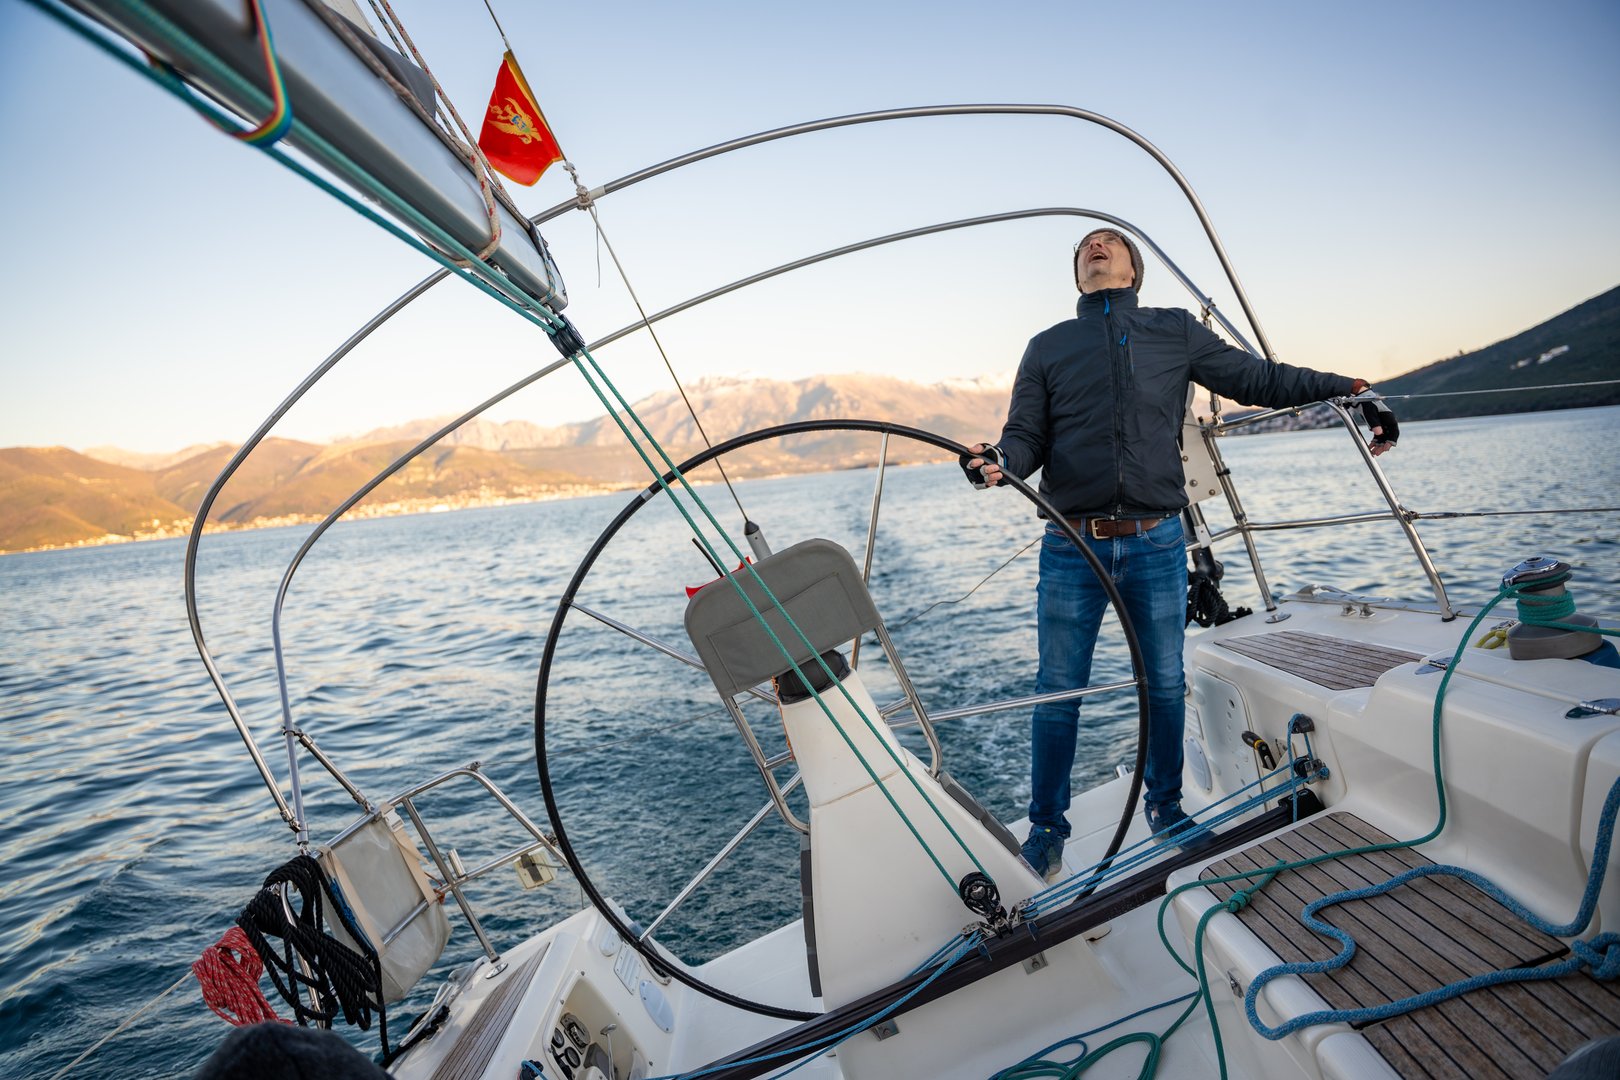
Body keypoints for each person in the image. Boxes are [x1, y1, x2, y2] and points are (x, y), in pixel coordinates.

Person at [965, 227, 1397, 881]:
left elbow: (1259, 378)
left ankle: (1165, 808)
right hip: (1070, 546)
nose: (1097, 245)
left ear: (1133, 270)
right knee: (1057, 691)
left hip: (1157, 540)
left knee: (1164, 683)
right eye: (1086, 245)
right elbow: (1024, 437)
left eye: (1111, 241)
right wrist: (998, 463)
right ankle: (1046, 832)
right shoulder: (1048, 347)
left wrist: (1350, 388)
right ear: (1077, 273)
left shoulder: (1174, 331)